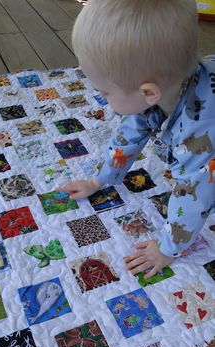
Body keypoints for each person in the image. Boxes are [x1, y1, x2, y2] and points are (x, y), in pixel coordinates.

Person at [60, 0, 215, 279]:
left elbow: (195, 193)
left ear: (148, 93)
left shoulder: (198, 131)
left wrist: (168, 249)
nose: (103, 101)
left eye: (105, 92)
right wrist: (99, 180)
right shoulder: (160, 92)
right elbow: (130, 132)